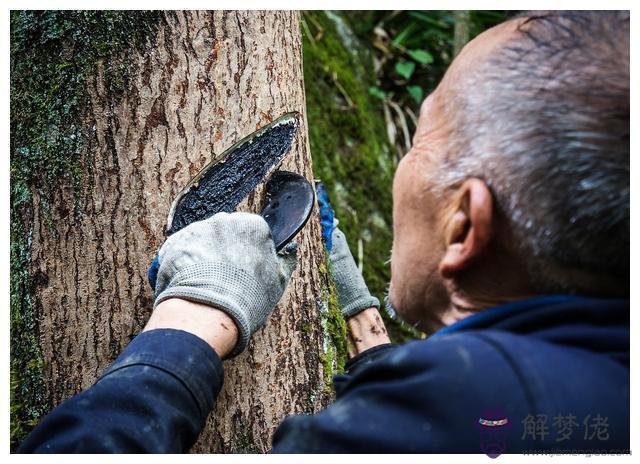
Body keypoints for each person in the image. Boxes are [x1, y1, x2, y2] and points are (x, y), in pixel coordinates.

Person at [18, 11, 629, 454]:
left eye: (420, 138)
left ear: (465, 223)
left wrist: (194, 320)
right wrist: (367, 327)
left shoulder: (463, 407)